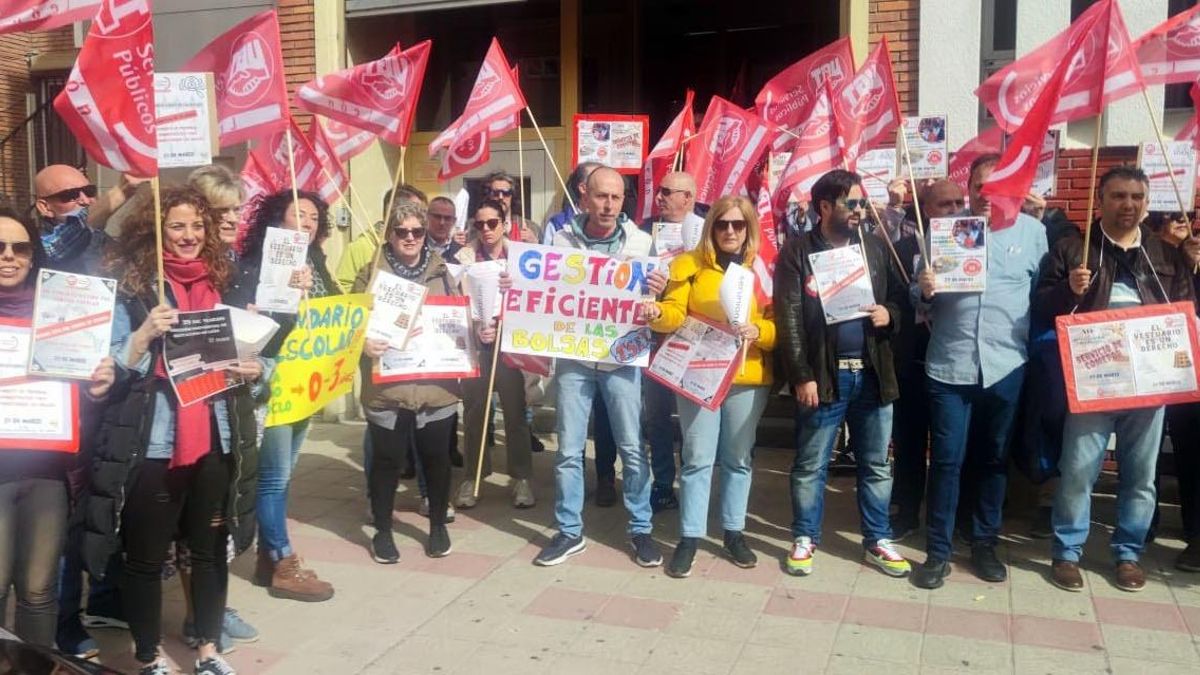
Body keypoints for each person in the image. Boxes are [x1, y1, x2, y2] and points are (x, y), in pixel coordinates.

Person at [84, 186, 262, 675]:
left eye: (197, 227)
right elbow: (110, 365)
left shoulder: (225, 282)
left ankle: (207, 647)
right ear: (156, 231)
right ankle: (148, 655)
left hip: (215, 436)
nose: (189, 236)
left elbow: (257, 348)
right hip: (155, 440)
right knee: (144, 557)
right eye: (177, 226)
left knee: (207, 553)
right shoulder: (134, 287)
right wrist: (143, 336)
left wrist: (255, 369)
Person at [1035, 167, 1197, 593]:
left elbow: (1187, 310)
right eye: (1119, 196)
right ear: (1100, 201)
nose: (1128, 205)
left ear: (1146, 203)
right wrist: (1069, 289)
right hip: (1094, 384)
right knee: (1078, 471)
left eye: (1136, 197)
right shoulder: (1073, 249)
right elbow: (1040, 308)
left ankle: (1128, 552)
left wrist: (1193, 267)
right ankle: (1067, 551)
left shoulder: (1166, 254)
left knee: (1141, 476)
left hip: (1150, 386)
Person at [911, 154, 1049, 590]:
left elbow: (1045, 292)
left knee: (992, 459)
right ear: (968, 191)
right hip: (949, 365)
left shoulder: (1034, 233)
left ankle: (985, 543)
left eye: (999, 188)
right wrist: (925, 290)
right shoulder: (945, 234)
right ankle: (938, 552)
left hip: (1006, 365)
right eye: (980, 189)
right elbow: (919, 297)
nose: (988, 198)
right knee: (947, 463)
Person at [528, 166, 668, 567]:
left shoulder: (643, 242)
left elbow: (659, 303)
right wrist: (515, 286)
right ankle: (569, 531)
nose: (608, 205)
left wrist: (658, 293)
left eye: (617, 197)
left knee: (631, 449)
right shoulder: (560, 238)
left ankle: (641, 528)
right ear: (585, 195)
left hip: (621, 360)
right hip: (574, 359)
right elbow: (540, 289)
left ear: (625, 201)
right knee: (569, 451)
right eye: (602, 196)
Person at [774, 170, 910, 579]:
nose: (860, 210)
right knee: (811, 463)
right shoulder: (797, 252)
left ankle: (877, 540)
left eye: (861, 203)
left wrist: (891, 314)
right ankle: (804, 537)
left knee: (876, 464)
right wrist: (801, 374)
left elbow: (899, 301)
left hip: (871, 372)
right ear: (825, 207)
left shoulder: (873, 247)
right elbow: (790, 318)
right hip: (824, 375)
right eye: (852, 203)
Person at [642, 195, 776, 577]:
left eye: (737, 224)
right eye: (722, 224)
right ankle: (690, 537)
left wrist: (760, 330)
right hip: (699, 375)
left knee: (738, 459)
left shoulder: (762, 270)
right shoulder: (689, 266)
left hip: (747, 377)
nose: (730, 231)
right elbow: (674, 313)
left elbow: (779, 323)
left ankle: (734, 532)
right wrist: (656, 313)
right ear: (711, 227)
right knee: (698, 457)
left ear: (748, 228)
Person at [0, 208, 114, 647]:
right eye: (0, 248)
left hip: (48, 470)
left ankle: (36, 665)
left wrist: (97, 388)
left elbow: (79, 395)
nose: (9, 257)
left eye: (20, 247)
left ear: (33, 254)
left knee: (37, 588)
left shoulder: (60, 314)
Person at [228, 191, 338, 603]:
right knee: (272, 478)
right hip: (272, 384)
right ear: (278, 220)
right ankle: (283, 561)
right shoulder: (254, 267)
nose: (307, 223)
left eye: (314, 217)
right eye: (299, 214)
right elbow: (253, 328)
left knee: (284, 475)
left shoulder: (318, 263)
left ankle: (266, 558)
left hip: (305, 382)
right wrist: (284, 295)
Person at [355, 200, 462, 562]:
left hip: (436, 387)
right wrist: (362, 343)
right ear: (390, 233)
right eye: (402, 231)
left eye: (417, 231)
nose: (410, 238)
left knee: (437, 460)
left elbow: (459, 319)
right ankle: (383, 530)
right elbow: (349, 324)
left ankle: (437, 527)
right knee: (387, 461)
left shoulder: (443, 272)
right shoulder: (370, 274)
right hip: (388, 389)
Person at [888, 179, 964, 541]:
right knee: (909, 441)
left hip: (955, 360)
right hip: (913, 360)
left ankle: (950, 515)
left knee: (951, 449)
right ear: (925, 211)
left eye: (958, 203)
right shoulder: (901, 249)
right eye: (945, 205)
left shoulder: (973, 250)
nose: (954, 211)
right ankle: (905, 511)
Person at [455, 199, 537, 510]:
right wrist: (475, 327)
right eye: (480, 224)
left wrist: (518, 287)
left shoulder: (520, 255)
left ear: (504, 223)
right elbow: (455, 300)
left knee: (516, 413)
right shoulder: (463, 257)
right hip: (478, 346)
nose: (486, 229)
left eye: (492, 223)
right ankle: (472, 477)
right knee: (475, 412)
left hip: (511, 344)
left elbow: (538, 294)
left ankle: (522, 477)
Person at [637, 171, 707, 512]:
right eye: (659, 190)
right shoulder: (644, 233)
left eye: (668, 192)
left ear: (688, 198)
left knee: (694, 422)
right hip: (656, 339)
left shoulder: (710, 233)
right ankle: (663, 484)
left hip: (697, 342)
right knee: (657, 418)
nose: (660, 196)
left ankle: (695, 485)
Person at [1150, 213, 1200, 571]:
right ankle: (1143, 521)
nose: (1180, 225)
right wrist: (1178, 259)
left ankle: (1196, 535)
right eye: (1170, 219)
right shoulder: (1150, 253)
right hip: (1157, 364)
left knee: (1194, 452)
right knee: (1146, 448)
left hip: (1190, 367)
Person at [33, 164, 140, 275]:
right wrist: (122, 192)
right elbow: (58, 246)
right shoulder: (35, 248)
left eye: (89, 191)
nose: (86, 200)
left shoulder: (113, 248)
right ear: (45, 207)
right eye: (71, 195)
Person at [335, 184, 427, 291]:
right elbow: (342, 288)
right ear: (392, 209)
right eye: (411, 208)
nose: (410, 237)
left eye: (421, 211)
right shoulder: (359, 247)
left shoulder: (424, 247)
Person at [543, 161, 601, 244]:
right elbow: (548, 254)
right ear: (583, 188)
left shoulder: (616, 222)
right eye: (598, 179)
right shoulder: (558, 224)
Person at [188, 166, 245, 249]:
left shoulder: (233, 256)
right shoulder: (186, 258)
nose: (233, 220)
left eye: (236, 210)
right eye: (222, 210)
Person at [482, 171, 540, 244]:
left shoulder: (530, 227)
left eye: (506, 193)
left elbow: (548, 252)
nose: (500, 197)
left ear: (512, 196)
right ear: (488, 196)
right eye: (496, 193)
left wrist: (535, 242)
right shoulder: (475, 227)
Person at [427, 196, 469, 261]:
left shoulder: (462, 253)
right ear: (427, 217)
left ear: (454, 221)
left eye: (447, 218)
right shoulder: (414, 246)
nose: (442, 223)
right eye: (437, 217)